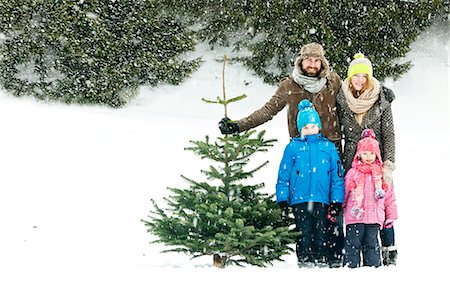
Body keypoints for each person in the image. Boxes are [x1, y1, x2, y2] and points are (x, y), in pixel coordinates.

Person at [218, 42, 345, 267]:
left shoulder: (333, 82)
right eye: (308, 60)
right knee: (306, 215)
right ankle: (307, 258)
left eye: (316, 60)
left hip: (331, 154)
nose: (312, 64)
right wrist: (238, 126)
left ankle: (335, 259)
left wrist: (380, 96)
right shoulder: (289, 85)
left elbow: (352, 100)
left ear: (322, 63)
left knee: (333, 211)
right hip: (302, 157)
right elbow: (267, 111)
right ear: (301, 61)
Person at [336, 53, 398, 266]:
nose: (360, 80)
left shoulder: (381, 99)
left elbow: (388, 133)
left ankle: (388, 251)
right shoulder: (342, 97)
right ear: (350, 78)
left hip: (376, 160)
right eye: (356, 76)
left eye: (364, 76)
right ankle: (349, 251)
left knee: (382, 203)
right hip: (352, 160)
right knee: (351, 204)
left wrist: (388, 163)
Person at [275, 100, 344, 268]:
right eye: (306, 127)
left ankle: (321, 259)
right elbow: (283, 176)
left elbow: (337, 176)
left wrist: (336, 201)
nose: (310, 130)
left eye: (313, 126)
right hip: (300, 199)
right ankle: (305, 261)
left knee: (321, 232)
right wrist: (282, 200)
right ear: (300, 129)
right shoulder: (292, 148)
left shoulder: (328, 147)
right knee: (303, 233)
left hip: (322, 199)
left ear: (319, 126)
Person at [343, 129, 398, 268]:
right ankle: (350, 269)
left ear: (377, 155)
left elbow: (390, 198)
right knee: (352, 244)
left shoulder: (381, 175)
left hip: (374, 217)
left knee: (372, 245)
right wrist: (338, 206)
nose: (368, 156)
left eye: (372, 153)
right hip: (355, 217)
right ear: (359, 155)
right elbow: (344, 193)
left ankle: (373, 270)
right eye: (365, 153)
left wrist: (390, 216)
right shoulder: (353, 173)